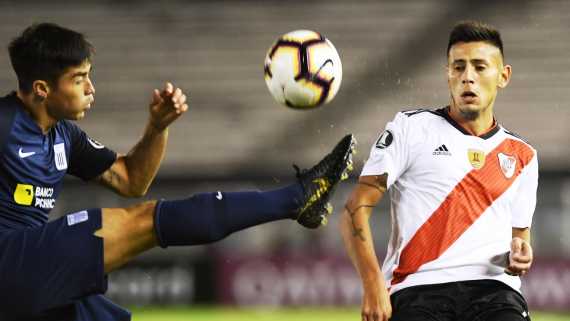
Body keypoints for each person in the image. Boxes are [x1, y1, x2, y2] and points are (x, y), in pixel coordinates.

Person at [0, 23, 356, 321]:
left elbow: (130, 180)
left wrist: (157, 128)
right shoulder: (5, 125)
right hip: (10, 259)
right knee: (143, 220)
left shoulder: (64, 134)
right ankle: (298, 198)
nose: (91, 89)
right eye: (79, 80)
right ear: (42, 89)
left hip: (31, 272)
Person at [340, 21, 537, 321]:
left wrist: (521, 255)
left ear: (503, 76)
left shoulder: (523, 155)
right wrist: (372, 285)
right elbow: (355, 209)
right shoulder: (410, 128)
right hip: (419, 290)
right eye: (458, 67)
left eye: (480, 67)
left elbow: (520, 241)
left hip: (495, 293)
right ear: (447, 73)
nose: (467, 78)